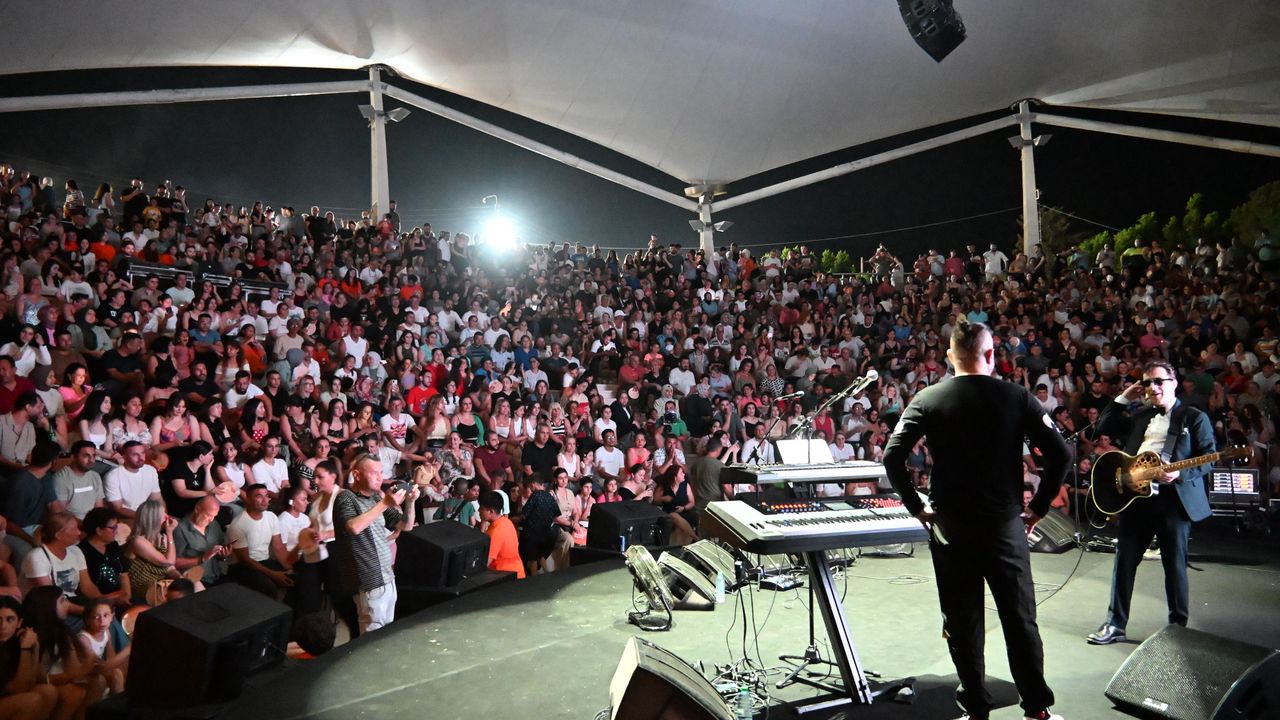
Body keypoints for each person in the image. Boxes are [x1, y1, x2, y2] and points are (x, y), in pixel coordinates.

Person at [883, 320, 1068, 720]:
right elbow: (1061, 453)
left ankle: (976, 709)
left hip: (950, 528)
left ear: (950, 356)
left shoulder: (927, 398)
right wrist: (1039, 507)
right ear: (991, 355)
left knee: (962, 622)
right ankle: (1036, 709)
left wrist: (916, 507)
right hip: (1004, 527)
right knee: (1019, 619)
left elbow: (891, 456)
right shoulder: (1016, 396)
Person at [1086, 360, 1216, 646]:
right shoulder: (1140, 415)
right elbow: (1100, 428)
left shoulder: (1193, 417)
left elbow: (1209, 458)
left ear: (1174, 383)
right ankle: (1115, 624)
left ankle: (1178, 628)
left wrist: (1180, 473)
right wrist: (1123, 398)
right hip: (1135, 498)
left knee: (1174, 565)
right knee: (1124, 562)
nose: (1152, 387)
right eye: (1147, 382)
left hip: (1172, 501)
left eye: (1158, 381)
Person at [331, 454, 417, 633]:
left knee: (386, 633)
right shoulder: (346, 497)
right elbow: (353, 527)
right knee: (371, 634)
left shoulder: (376, 499)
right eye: (374, 473)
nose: (380, 477)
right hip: (368, 579)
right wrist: (385, 502)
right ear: (357, 475)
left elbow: (405, 525)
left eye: (381, 472)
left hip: (387, 575)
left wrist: (410, 502)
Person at [103, 441, 162, 522]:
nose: (141, 458)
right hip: (125, 519)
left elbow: (157, 498)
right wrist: (145, 517)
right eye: (135, 454)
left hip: (147, 515)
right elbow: (118, 509)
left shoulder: (150, 470)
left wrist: (163, 514)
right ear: (124, 457)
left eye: (142, 453)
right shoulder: (112, 476)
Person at [479, 491, 524, 579]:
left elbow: (485, 563)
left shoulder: (495, 533)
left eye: (481, 508)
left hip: (506, 578)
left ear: (491, 511)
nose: (478, 510)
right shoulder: (506, 521)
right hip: (516, 573)